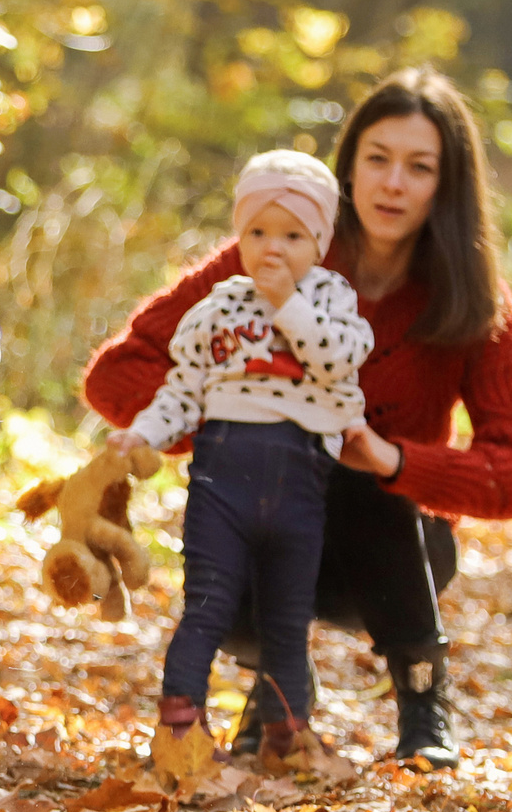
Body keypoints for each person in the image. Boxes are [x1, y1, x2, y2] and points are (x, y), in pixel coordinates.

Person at [84, 68, 512, 770]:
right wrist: (242, 411)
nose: (393, 183)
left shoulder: (474, 298)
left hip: (395, 552)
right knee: (261, 477)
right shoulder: (278, 249)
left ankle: (423, 697)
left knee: (361, 479)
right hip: (259, 510)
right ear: (349, 167)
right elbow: (118, 375)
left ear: (445, 185)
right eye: (378, 159)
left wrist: (397, 460)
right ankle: (273, 696)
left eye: (419, 167)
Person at [111, 150, 374, 770]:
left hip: (299, 476)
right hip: (223, 474)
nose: (272, 248)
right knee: (206, 602)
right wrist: (144, 433)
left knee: (288, 613)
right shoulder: (220, 308)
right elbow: (183, 388)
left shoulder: (331, 300)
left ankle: (289, 736)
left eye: (291, 235)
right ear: (239, 236)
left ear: (320, 243)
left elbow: (338, 363)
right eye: (257, 232)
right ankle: (180, 731)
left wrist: (289, 304)